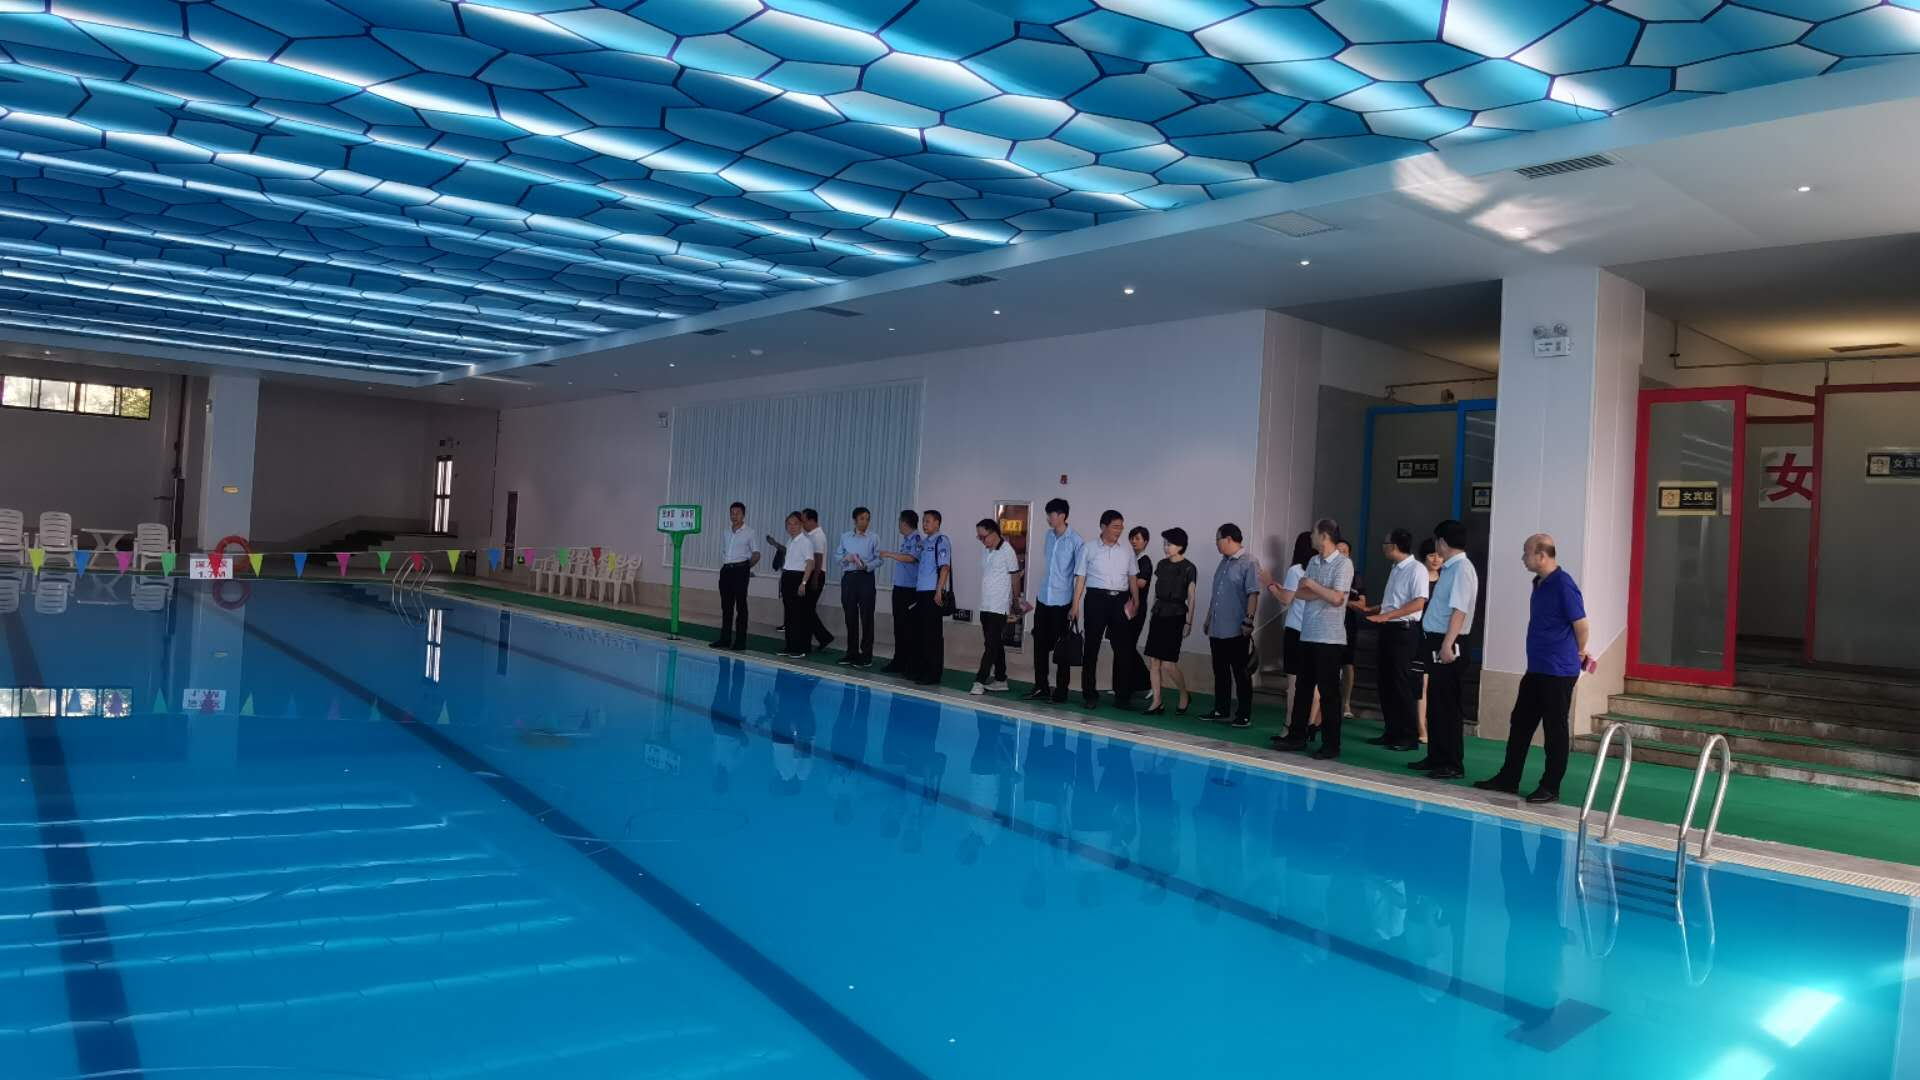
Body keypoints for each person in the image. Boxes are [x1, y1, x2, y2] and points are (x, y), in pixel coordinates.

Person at [1476, 534, 1590, 803]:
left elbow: (1582, 625)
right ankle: (1509, 778)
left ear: (1542, 555)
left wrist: (1579, 651)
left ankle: (1550, 786)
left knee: (1554, 728)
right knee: (1521, 722)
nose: (1523, 558)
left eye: (1526, 552)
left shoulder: (1563, 584)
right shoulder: (1539, 583)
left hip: (1558, 671)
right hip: (1537, 667)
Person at [1273, 519, 1353, 760]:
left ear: (1324, 536)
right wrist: (1319, 590)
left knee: (1329, 693)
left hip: (1330, 638)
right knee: (1303, 688)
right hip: (1308, 633)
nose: (1311, 537)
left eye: (1314, 533)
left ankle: (1331, 745)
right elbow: (1302, 592)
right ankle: (1297, 736)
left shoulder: (1343, 563)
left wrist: (1314, 587)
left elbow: (1338, 599)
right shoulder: (1313, 561)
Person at [1411, 520, 1479, 781]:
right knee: (1437, 702)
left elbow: (1459, 609)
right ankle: (1437, 756)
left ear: (1442, 542)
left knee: (1448, 704)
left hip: (1450, 642)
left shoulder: (1461, 569)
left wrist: (1448, 644)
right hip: (1438, 640)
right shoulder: (1451, 568)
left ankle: (1452, 762)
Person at [1365, 529, 1428, 752]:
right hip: (1389, 629)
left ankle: (1409, 736)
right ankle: (1392, 731)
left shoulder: (1416, 569)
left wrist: (1386, 616)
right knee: (1386, 682)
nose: (1382, 547)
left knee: (1401, 683)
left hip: (1404, 631)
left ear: (1393, 546)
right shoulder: (1395, 568)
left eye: (1385, 543)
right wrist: (1376, 609)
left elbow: (1418, 603)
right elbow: (1395, 601)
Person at [1025, 498, 1086, 704]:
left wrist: (1075, 605)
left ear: (1062, 516)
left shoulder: (1076, 541)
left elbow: (1079, 576)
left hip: (1063, 602)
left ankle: (1061, 691)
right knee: (1039, 644)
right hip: (1044, 598)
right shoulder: (1048, 536)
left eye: (1050, 515)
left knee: (1063, 649)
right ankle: (1041, 687)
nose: (1048, 518)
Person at [1080, 510, 1142, 710]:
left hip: (1120, 601)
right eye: (1115, 526)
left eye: (1121, 527)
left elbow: (1132, 577)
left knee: (1123, 649)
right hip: (1096, 599)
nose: (1119, 530)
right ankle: (1089, 694)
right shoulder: (1089, 548)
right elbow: (1081, 578)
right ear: (1103, 526)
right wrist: (1074, 605)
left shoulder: (1126, 550)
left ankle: (1122, 696)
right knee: (1091, 647)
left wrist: (1136, 600)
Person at [1201, 523, 1261, 726]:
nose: (1216, 544)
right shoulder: (1223, 562)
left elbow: (1253, 593)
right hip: (1217, 627)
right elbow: (1216, 594)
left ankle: (1244, 714)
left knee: (1240, 672)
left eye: (1217, 539)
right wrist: (1208, 618)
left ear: (1228, 539)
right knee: (1220, 671)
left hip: (1237, 628)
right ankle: (1221, 709)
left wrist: (1249, 619)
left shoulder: (1249, 562)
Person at [1258, 532, 1314, 728]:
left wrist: (1269, 584)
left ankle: (1290, 725)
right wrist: (1282, 588)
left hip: (1296, 630)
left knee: (1294, 683)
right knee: (1312, 683)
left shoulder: (1296, 570)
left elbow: (1286, 599)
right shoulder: (1320, 569)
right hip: (1314, 631)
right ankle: (1309, 724)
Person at [1142, 527, 1196, 716]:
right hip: (1158, 613)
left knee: (1168, 663)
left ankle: (1184, 693)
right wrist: (1151, 612)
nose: (1166, 547)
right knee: (1153, 661)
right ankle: (1157, 702)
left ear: (1180, 546)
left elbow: (1191, 596)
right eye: (1165, 543)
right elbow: (1156, 593)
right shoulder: (1161, 564)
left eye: (1169, 544)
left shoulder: (1189, 567)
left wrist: (1189, 622)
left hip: (1176, 615)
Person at [971, 518, 1023, 695]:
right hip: (985, 605)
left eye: (983, 536)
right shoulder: (986, 550)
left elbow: (1015, 578)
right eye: (979, 537)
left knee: (991, 646)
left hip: (999, 607)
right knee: (994, 643)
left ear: (994, 533)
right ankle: (1001, 679)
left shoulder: (1008, 551)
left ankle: (980, 680)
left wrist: (1016, 601)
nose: (981, 540)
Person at [876, 510, 922, 675]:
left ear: (904, 522)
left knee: (907, 628)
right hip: (900, 588)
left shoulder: (916, 539)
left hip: (909, 590)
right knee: (899, 627)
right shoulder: (907, 539)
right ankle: (899, 661)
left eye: (899, 522)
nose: (898, 525)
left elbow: (912, 558)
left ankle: (907, 663)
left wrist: (889, 554)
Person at [912, 510, 953, 686]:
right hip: (921, 592)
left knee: (932, 635)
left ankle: (933, 673)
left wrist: (939, 591)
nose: (924, 524)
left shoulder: (941, 541)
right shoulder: (924, 542)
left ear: (937, 523)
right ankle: (922, 670)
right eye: (923, 521)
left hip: (932, 593)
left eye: (928, 521)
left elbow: (945, 567)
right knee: (922, 633)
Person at [714, 501, 761, 651]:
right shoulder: (726, 531)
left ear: (743, 515)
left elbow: (756, 553)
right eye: (732, 513)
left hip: (740, 571)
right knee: (726, 607)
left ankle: (740, 642)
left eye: (737, 513)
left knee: (741, 606)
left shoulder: (750, 532)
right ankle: (725, 639)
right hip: (726, 571)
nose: (734, 516)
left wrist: (746, 568)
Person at [835, 507, 879, 667]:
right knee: (850, 616)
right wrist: (846, 558)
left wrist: (867, 566)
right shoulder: (845, 537)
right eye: (862, 519)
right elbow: (837, 557)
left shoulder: (874, 537)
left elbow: (879, 559)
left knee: (867, 617)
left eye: (867, 519)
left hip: (866, 578)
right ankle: (851, 653)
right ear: (855, 520)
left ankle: (866, 655)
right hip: (849, 578)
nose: (865, 522)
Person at [777, 512, 816, 658]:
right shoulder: (790, 541)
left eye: (795, 523)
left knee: (799, 615)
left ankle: (800, 648)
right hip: (788, 577)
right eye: (789, 524)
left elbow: (810, 563)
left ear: (801, 525)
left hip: (798, 578)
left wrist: (803, 583)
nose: (792, 526)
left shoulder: (805, 542)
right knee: (789, 615)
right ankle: (790, 646)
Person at [1124, 525, 1153, 696]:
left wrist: (1120, 578)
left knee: (1127, 646)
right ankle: (1125, 685)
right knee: (1122, 647)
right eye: (1132, 538)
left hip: (1136, 610)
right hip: (1124, 609)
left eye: (1138, 538)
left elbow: (1141, 583)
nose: (1134, 541)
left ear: (1145, 542)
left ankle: (1148, 683)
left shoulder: (1144, 560)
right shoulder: (1130, 558)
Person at [801, 509, 834, 653]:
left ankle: (821, 637)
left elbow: (818, 558)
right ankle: (822, 637)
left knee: (807, 609)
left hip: (816, 575)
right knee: (807, 610)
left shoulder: (818, 536)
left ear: (811, 520)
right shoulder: (809, 535)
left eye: (803, 521)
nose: (802, 524)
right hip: (812, 574)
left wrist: (814, 579)